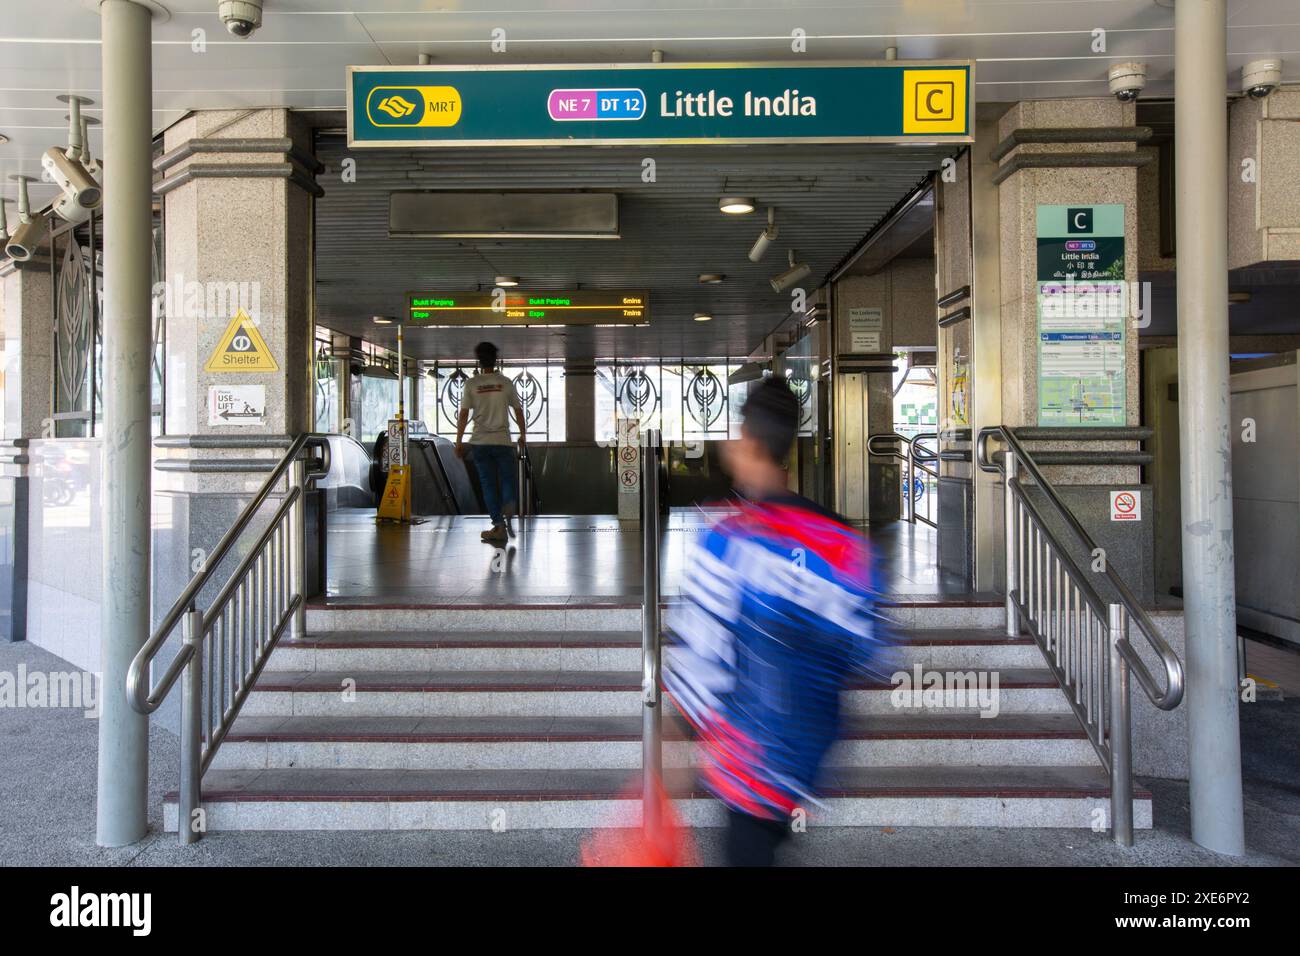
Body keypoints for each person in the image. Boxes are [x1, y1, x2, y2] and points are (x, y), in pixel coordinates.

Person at [662, 377, 885, 866]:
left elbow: (702, 656)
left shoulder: (729, 538)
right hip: (809, 751)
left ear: (748, 442)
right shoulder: (843, 542)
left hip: (747, 755)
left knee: (748, 852)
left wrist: (675, 739)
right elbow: (870, 648)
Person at [454, 342, 526, 545]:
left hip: (480, 442)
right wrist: (523, 434)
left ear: (479, 360)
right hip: (503, 441)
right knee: (507, 480)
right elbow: (518, 411)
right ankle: (509, 502)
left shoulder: (472, 384)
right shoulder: (505, 383)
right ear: (496, 360)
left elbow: (464, 414)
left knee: (488, 484)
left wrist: (459, 441)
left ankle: (498, 525)